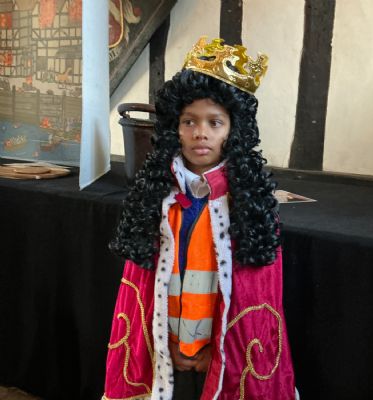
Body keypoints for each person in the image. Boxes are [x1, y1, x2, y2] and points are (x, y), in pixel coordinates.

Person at [103, 36, 298, 400]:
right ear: (174, 128)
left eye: (214, 122)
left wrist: (217, 352)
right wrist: (166, 345)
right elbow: (141, 291)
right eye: (189, 121)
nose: (200, 133)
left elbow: (256, 301)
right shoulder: (157, 198)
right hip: (166, 347)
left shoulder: (249, 206)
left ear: (233, 130)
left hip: (223, 351)